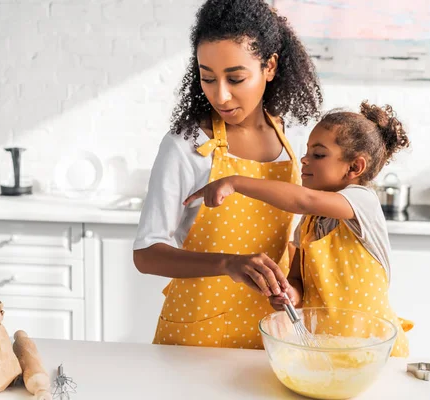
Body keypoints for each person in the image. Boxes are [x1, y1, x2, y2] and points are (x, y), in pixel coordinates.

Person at [133, 0, 322, 350]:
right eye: (208, 77)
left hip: (273, 329)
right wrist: (227, 263)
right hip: (196, 332)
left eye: (236, 78)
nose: (219, 94)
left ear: (269, 66)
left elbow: (299, 236)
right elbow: (146, 253)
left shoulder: (294, 137)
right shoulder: (187, 144)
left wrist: (293, 287)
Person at [184, 101, 413, 356]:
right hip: (327, 352)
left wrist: (235, 182)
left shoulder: (362, 202)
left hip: (376, 353)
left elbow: (303, 199)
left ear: (354, 167)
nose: (304, 159)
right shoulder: (309, 223)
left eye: (318, 154)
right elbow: (297, 281)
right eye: (307, 152)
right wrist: (290, 295)